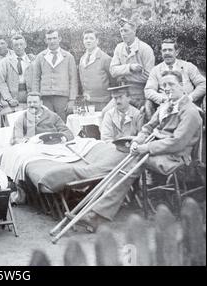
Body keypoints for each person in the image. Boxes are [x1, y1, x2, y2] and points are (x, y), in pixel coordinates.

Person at [79, 70, 202, 231]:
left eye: (171, 84)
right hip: (158, 151)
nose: (166, 88)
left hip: (175, 157)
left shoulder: (191, 112)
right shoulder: (166, 106)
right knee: (124, 159)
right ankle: (92, 209)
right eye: (163, 85)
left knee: (132, 164)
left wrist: (146, 148)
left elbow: (177, 143)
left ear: (182, 86)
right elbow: (148, 127)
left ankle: (98, 215)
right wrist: (138, 140)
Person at [144, 38, 206, 118]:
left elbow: (203, 84)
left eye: (170, 50)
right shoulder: (156, 70)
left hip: (188, 104)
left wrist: (191, 97)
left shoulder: (188, 66)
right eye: (164, 50)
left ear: (176, 52)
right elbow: (148, 90)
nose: (167, 53)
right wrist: (163, 99)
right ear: (161, 52)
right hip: (165, 106)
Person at [108, 18, 155, 111]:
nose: (123, 34)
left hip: (139, 94)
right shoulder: (119, 48)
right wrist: (130, 68)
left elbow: (149, 76)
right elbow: (113, 71)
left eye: (126, 30)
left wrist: (123, 75)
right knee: (106, 113)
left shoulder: (145, 49)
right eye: (121, 31)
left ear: (134, 31)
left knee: (139, 116)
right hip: (121, 92)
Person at [32, 29, 78, 122]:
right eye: (49, 39)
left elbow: (73, 80)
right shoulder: (40, 56)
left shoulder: (68, 57)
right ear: (45, 40)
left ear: (59, 39)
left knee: (62, 123)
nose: (52, 41)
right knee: (46, 123)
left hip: (62, 98)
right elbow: (35, 79)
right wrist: (35, 98)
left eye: (54, 38)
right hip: (45, 97)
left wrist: (72, 100)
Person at [0, 35, 34, 126]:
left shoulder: (33, 60)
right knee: (13, 125)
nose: (19, 47)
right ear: (12, 47)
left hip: (29, 96)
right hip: (13, 99)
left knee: (30, 125)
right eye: (16, 45)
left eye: (21, 44)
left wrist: (34, 96)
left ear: (25, 45)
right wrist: (9, 99)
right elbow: (0, 82)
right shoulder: (5, 62)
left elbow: (37, 79)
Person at [79, 29, 113, 111]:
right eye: (86, 38)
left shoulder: (105, 58)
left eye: (91, 38)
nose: (88, 41)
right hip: (87, 102)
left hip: (103, 102)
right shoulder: (82, 59)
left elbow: (113, 80)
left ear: (97, 41)